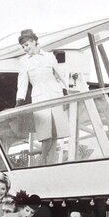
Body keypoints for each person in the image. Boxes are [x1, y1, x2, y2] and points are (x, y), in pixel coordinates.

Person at [16, 29, 70, 165]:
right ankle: (43, 160)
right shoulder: (23, 61)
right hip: (40, 98)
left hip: (55, 94)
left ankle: (50, 162)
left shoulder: (49, 56)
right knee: (45, 134)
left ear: (34, 42)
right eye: (23, 47)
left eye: (27, 45)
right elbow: (22, 82)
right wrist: (19, 100)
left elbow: (59, 75)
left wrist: (65, 91)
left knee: (56, 132)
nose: (25, 48)